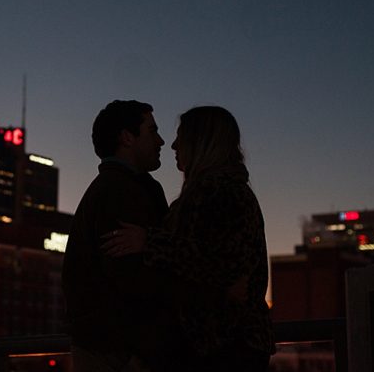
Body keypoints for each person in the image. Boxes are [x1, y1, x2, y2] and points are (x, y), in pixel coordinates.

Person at [102, 106, 275, 371]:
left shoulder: (222, 193)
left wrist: (150, 242)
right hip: (221, 347)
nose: (172, 145)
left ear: (201, 142)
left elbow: (218, 262)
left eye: (180, 136)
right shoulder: (217, 192)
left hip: (222, 349)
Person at [61, 100, 171, 371]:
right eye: (152, 131)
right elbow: (132, 278)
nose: (162, 141)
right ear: (127, 138)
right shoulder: (122, 192)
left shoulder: (112, 189)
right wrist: (145, 352)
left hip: (108, 347)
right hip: (121, 353)